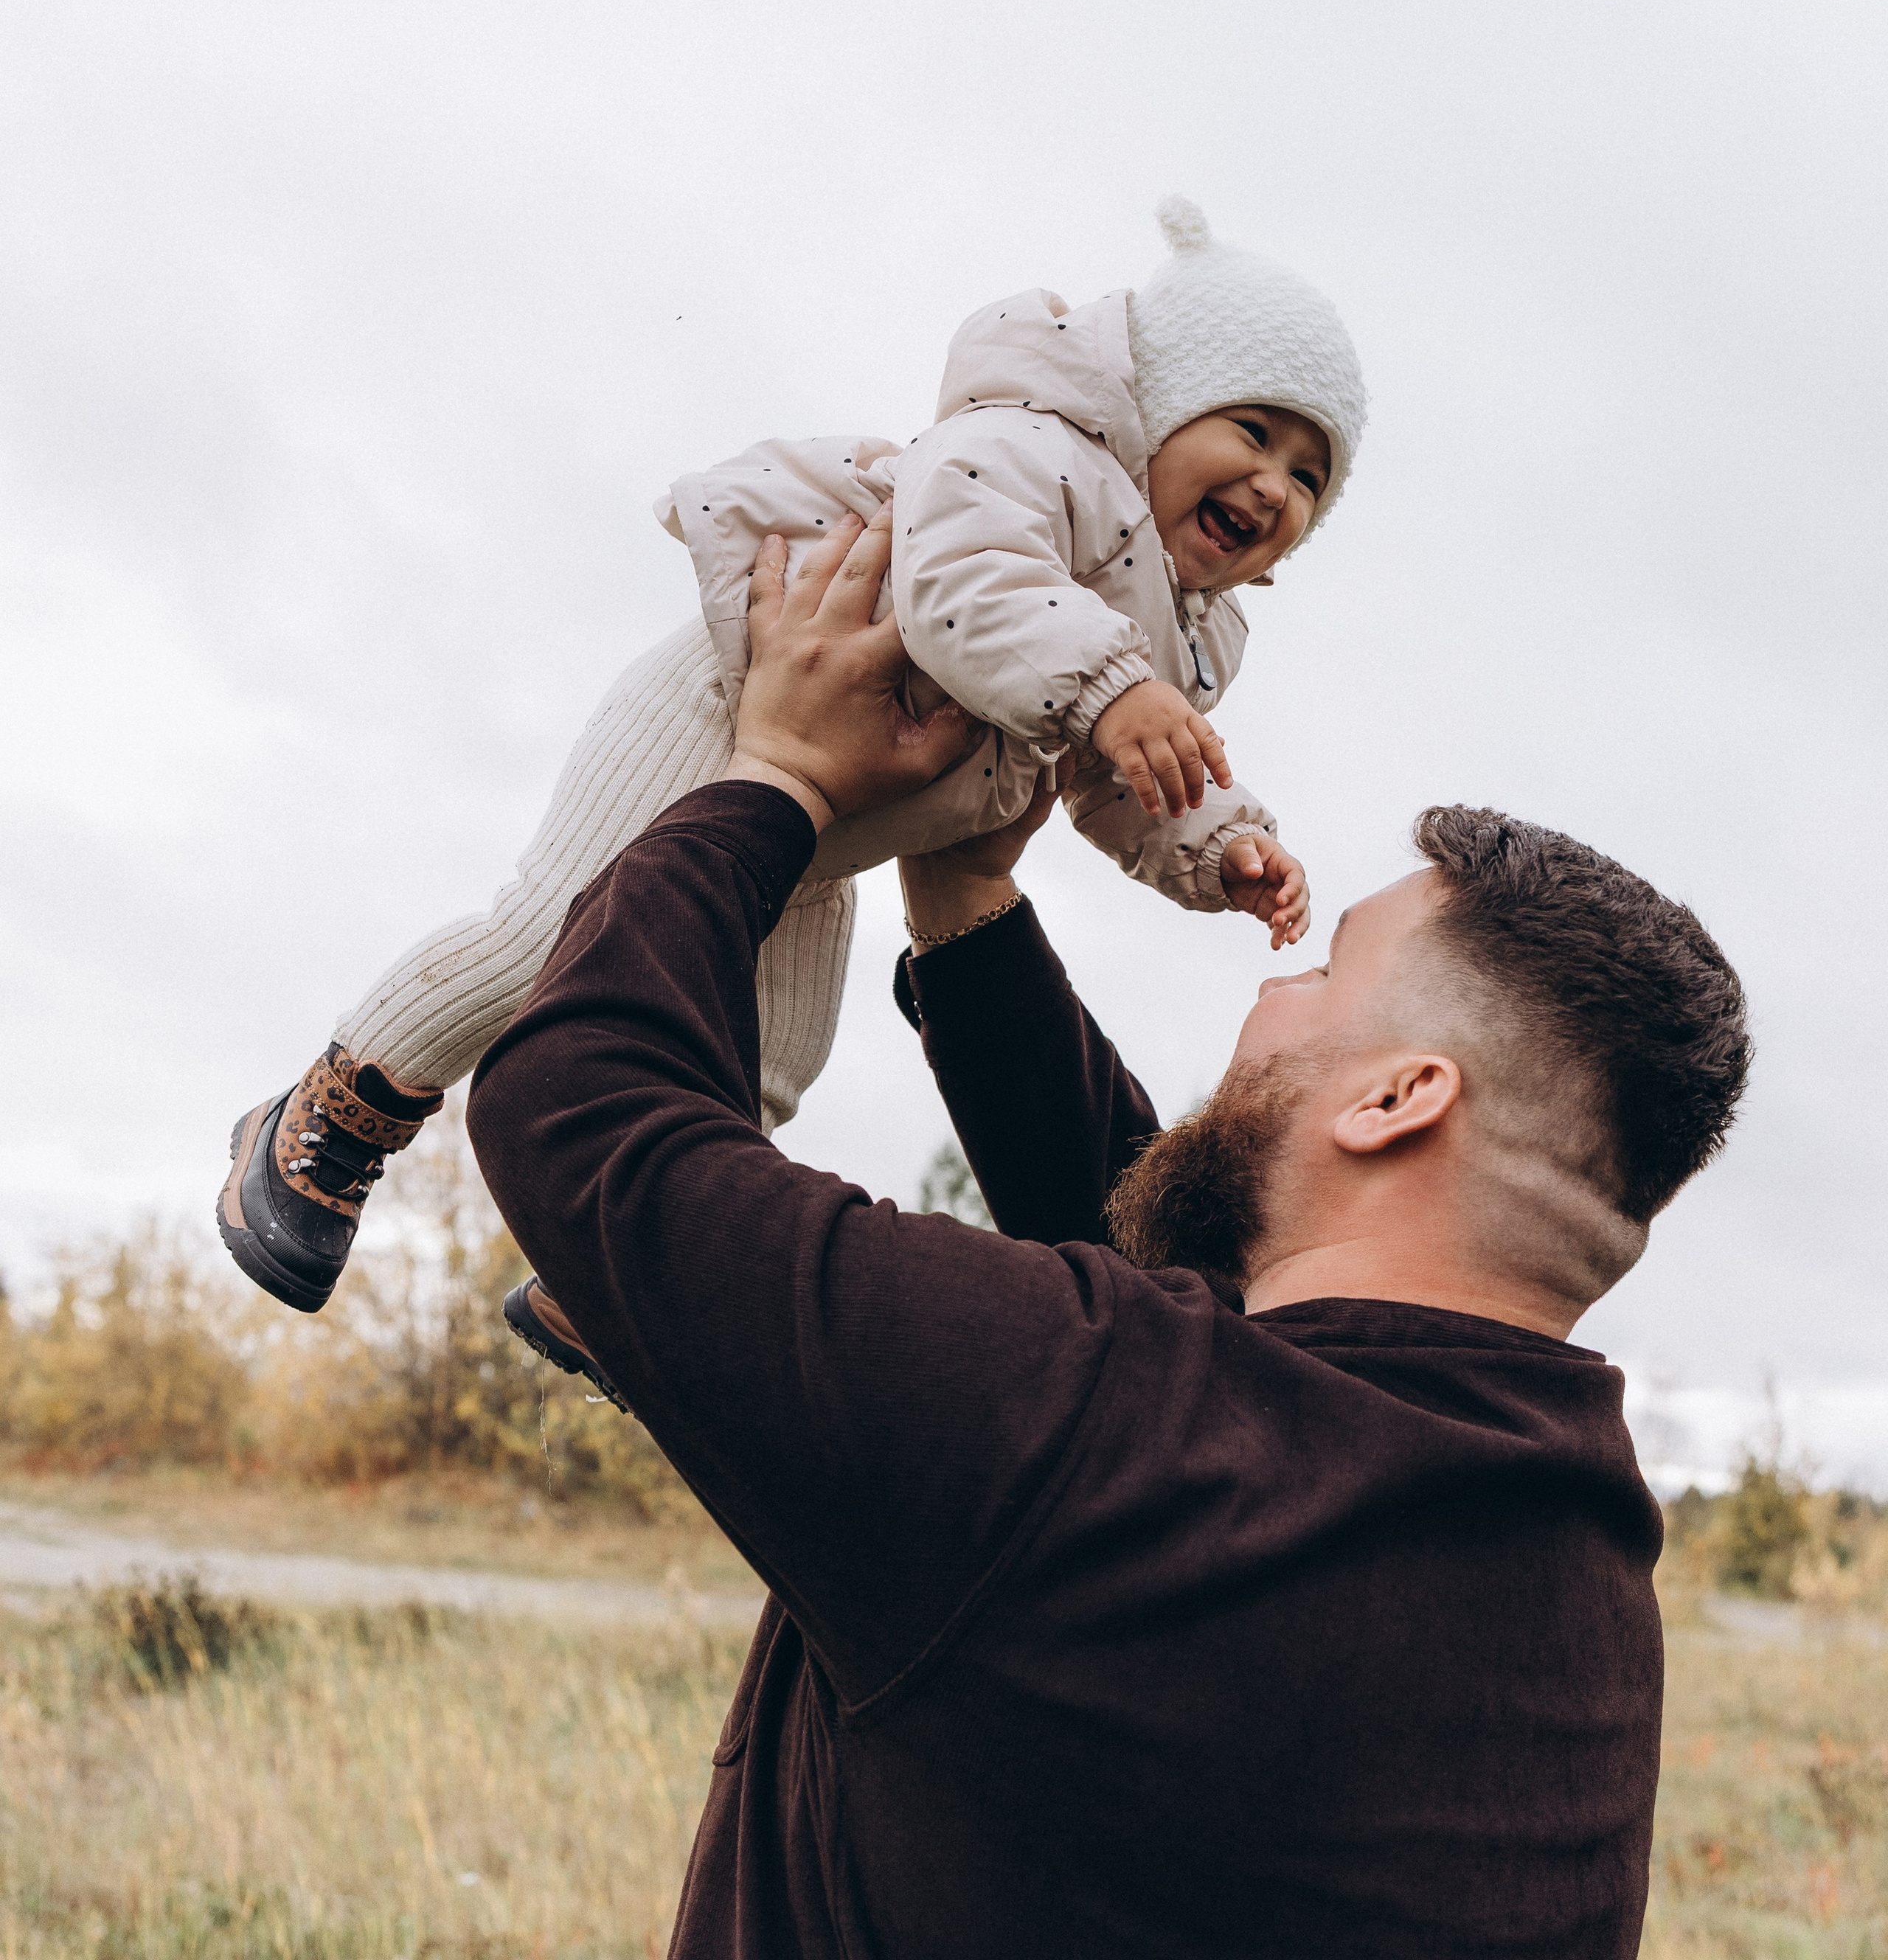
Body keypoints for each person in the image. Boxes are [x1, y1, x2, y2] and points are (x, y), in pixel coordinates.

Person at [465, 511, 1751, 1960]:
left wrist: (780, 779)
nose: (1271, 995)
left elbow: (580, 1116)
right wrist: (964, 901)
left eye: (1323, 977)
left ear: (1397, 1098)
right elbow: (1190, 1328)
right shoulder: (1562, 1538)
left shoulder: (1088, 1434)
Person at [218, 195, 1369, 1319]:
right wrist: (1119, 687)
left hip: (844, 817)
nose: (1276, 483)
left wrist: (1220, 842)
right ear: (1158, 408)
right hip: (724, 713)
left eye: (1311, 477)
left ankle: (617, 1274)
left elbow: (1120, 776)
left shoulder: (1191, 639)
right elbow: (966, 582)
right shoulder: (1035, 454)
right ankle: (334, 1114)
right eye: (1254, 431)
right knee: (552, 937)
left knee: (771, 1063)